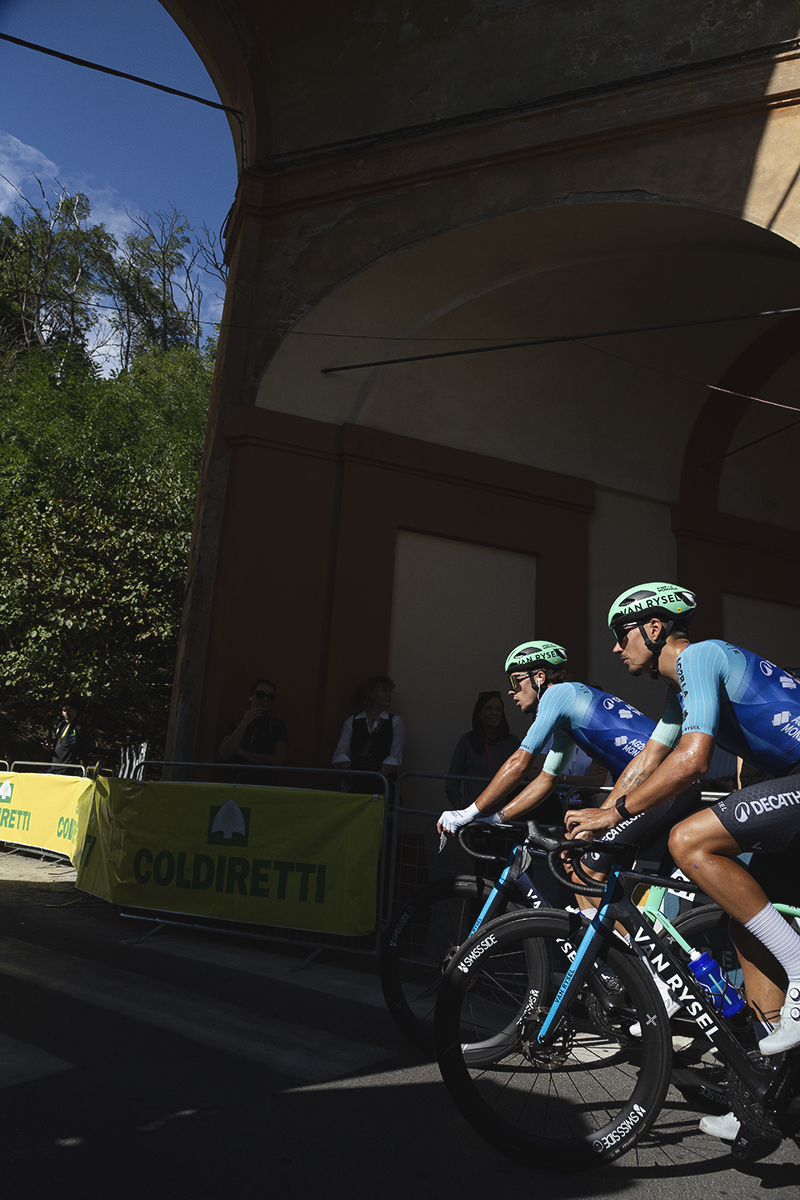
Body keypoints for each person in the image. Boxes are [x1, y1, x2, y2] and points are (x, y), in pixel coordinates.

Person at [564, 581, 800, 1141]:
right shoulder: (680, 691)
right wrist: (606, 817)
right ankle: (763, 1103)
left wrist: (615, 811)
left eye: (621, 633)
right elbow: (649, 759)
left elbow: (692, 761)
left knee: (688, 841)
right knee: (747, 926)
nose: (616, 647)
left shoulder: (699, 657)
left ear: (654, 627)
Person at [437, 640, 661, 836]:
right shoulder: (568, 712)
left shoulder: (556, 694)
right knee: (577, 855)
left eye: (515, 681)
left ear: (540, 677)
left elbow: (520, 763)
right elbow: (546, 781)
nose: (511, 691)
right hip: (649, 782)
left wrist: (468, 813)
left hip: (656, 780)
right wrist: (495, 819)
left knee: (585, 860)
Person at [444, 691, 520, 807]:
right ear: (479, 713)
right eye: (488, 708)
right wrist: (460, 812)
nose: (494, 713)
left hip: (506, 814)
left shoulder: (512, 742)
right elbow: (452, 781)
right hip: (474, 813)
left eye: (498, 709)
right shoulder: (467, 742)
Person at [333, 675, 405, 783]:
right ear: (371, 694)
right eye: (384, 691)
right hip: (355, 783)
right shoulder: (352, 721)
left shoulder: (395, 721)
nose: (389, 695)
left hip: (383, 784)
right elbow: (340, 753)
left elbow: (395, 755)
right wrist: (350, 772)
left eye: (390, 691)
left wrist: (379, 775)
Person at [219, 678, 289, 783]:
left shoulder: (277, 726)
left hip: (264, 784)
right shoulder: (236, 724)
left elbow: (279, 761)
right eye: (260, 694)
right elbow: (224, 753)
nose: (264, 699)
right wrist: (244, 724)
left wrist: (243, 753)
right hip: (235, 783)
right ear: (251, 696)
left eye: (270, 697)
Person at [47, 699, 86, 773]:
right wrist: (51, 747)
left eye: (69, 710)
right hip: (54, 765)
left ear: (75, 711)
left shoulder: (78, 728)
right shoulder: (61, 726)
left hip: (67, 766)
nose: (66, 713)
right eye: (64, 710)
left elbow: (83, 747)